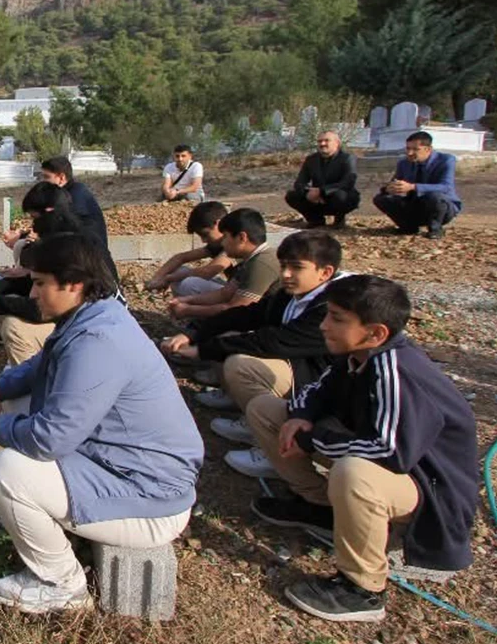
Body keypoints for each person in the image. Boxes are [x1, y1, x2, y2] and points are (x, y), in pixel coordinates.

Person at [0, 234, 203, 614]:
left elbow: (48, 440)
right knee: (14, 399)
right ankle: (46, 522)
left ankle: (61, 584)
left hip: (148, 498)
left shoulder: (99, 341)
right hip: (122, 464)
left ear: (73, 284)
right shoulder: (92, 313)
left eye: (41, 283)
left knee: (10, 471)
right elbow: (40, 364)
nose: (33, 294)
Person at [245, 275, 477, 622]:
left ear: (376, 332)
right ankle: (322, 506)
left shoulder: (397, 371)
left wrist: (310, 438)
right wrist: (301, 416)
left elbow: (390, 451)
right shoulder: (356, 354)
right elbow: (314, 392)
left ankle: (363, 589)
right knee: (268, 411)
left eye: (337, 318)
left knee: (355, 473)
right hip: (392, 463)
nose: (324, 326)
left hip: (428, 489)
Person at [159, 230, 343, 479]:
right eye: (285, 266)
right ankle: (256, 422)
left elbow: (274, 342)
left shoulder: (333, 309)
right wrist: (194, 336)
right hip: (300, 369)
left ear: (325, 272)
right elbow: (248, 314)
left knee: (240, 364)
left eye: (296, 267)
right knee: (230, 340)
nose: (286, 274)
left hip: (321, 384)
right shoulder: (293, 295)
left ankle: (273, 447)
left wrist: (202, 350)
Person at [0, 184, 120, 366]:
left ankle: (41, 383)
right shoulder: (63, 237)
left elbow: (42, 309)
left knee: (15, 328)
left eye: (35, 218)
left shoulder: (70, 247)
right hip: (83, 319)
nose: (33, 226)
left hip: (94, 331)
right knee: (4, 302)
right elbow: (29, 282)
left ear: (49, 212)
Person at [167, 208, 281, 321]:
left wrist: (188, 310)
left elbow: (236, 310)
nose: (222, 243)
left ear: (242, 237)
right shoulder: (251, 259)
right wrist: (186, 300)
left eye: (225, 237)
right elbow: (224, 294)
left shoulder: (261, 264)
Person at [373, 131, 462, 240]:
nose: (410, 153)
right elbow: (395, 182)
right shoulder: (404, 163)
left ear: (428, 149)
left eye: (415, 149)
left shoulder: (445, 160)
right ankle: (408, 227)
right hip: (415, 205)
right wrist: (388, 189)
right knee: (381, 199)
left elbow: (446, 186)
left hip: (441, 208)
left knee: (435, 196)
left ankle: (435, 228)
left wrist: (413, 187)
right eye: (408, 149)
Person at [146, 201, 233, 296]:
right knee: (177, 271)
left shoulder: (235, 242)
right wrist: (157, 279)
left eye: (205, 234)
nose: (203, 240)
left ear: (218, 224)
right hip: (233, 289)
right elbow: (180, 258)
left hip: (243, 298)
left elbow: (207, 271)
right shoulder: (218, 244)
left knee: (189, 284)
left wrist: (168, 278)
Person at [284, 131, 360, 229]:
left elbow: (348, 182)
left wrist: (322, 191)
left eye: (326, 140)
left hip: (338, 197)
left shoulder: (347, 158)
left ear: (337, 143)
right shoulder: (311, 159)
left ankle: (339, 219)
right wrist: (308, 192)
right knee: (292, 195)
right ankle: (316, 220)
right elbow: (300, 182)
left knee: (340, 196)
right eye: (320, 141)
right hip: (315, 199)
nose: (322, 144)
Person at [36, 156, 108, 243]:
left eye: (47, 177)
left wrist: (39, 236)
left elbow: (66, 225)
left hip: (89, 252)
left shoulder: (77, 194)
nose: (43, 181)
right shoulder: (60, 194)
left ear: (61, 178)